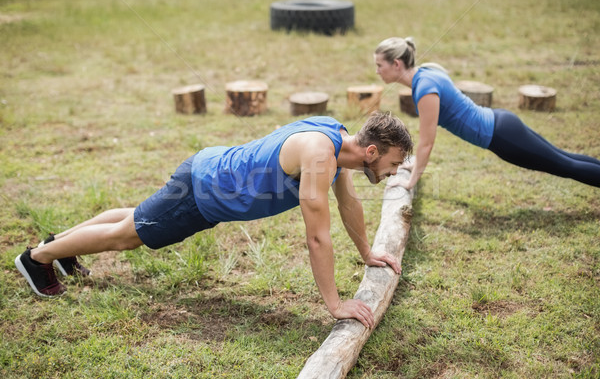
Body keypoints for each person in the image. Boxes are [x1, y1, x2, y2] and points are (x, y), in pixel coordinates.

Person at [15, 112, 413, 329]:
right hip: (204, 192)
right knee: (129, 236)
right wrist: (335, 304)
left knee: (135, 217)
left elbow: (348, 203)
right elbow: (317, 239)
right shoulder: (319, 157)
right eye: (394, 164)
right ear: (373, 151)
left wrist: (367, 252)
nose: (394, 173)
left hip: (209, 169)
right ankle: (39, 257)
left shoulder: (335, 135)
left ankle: (60, 246)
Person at [373, 37, 600, 190]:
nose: (377, 72)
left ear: (396, 64)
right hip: (502, 124)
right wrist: (413, 165)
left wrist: (411, 181)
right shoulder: (426, 73)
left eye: (379, 66)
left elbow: (426, 143)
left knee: (563, 165)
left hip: (501, 135)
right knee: (564, 159)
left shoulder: (424, 89)